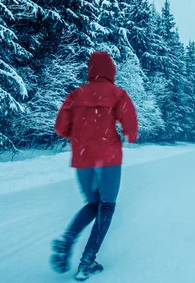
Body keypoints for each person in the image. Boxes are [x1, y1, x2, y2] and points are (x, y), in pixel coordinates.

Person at [50, 51, 138, 281]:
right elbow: (131, 128)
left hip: (82, 158)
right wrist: (129, 135)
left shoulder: (75, 95)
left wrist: (77, 133)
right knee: (106, 206)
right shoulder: (118, 94)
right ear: (111, 71)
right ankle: (87, 260)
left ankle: (67, 239)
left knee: (92, 203)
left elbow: (60, 128)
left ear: (90, 70)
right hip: (108, 158)